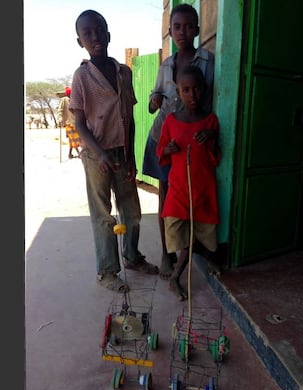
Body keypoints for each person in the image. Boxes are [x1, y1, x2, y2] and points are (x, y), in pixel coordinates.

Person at [69, 9, 158, 292]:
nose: (95, 37)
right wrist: (101, 153)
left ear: (108, 33)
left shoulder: (124, 72)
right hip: (97, 156)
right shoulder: (81, 76)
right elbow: (80, 123)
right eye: (87, 33)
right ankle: (107, 271)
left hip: (121, 153)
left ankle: (132, 256)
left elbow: (128, 119)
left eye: (99, 30)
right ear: (80, 40)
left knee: (131, 210)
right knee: (103, 215)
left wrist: (130, 157)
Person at [142, 3, 215, 280]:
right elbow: (153, 101)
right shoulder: (166, 65)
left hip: (190, 141)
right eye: (176, 27)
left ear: (196, 29)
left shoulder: (207, 62)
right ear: (170, 31)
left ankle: (194, 249)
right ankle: (166, 254)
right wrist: (154, 100)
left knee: (191, 196)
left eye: (188, 26)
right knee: (165, 199)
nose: (182, 32)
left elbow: (209, 102)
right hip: (162, 138)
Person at [156, 65, 222, 301]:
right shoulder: (172, 121)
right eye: (186, 90)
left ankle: (176, 277)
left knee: (198, 234)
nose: (192, 95)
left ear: (203, 90)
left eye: (196, 89)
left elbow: (215, 157)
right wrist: (168, 148)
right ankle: (209, 258)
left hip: (203, 189)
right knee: (178, 235)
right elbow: (160, 151)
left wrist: (211, 139)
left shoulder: (211, 121)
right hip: (179, 191)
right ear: (178, 92)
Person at [57, 86, 81, 159]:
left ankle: (70, 154)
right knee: (74, 139)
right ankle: (79, 153)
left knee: (72, 140)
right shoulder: (64, 100)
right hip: (68, 123)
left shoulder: (74, 100)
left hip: (75, 123)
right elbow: (60, 110)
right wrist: (60, 118)